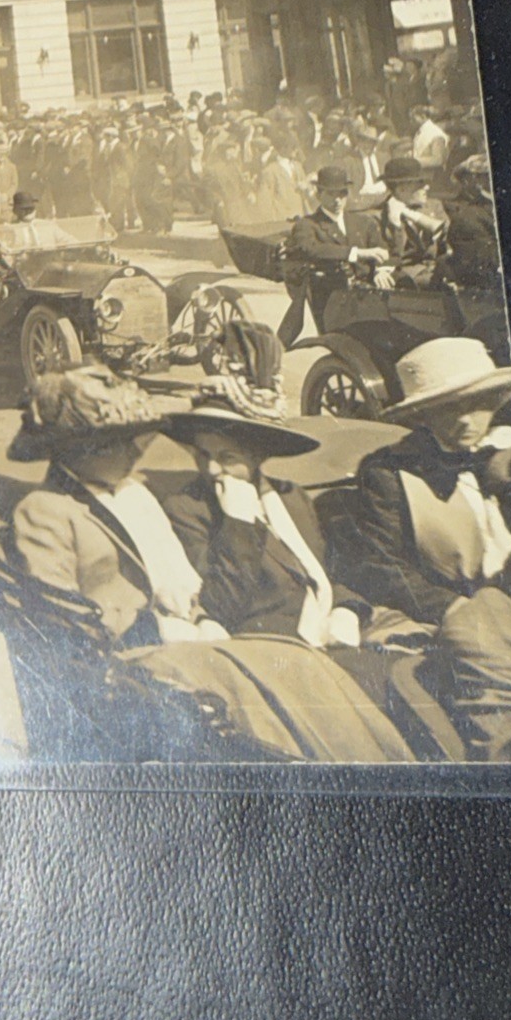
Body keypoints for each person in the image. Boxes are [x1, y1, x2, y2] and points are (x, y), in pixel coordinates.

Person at [341, 337, 511, 761]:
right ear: (420, 414)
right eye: (448, 408)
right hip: (445, 612)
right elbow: (378, 566)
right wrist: (449, 606)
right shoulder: (389, 473)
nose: (466, 420)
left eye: (479, 403)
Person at [160, 322, 367, 651]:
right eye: (202, 454)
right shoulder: (189, 509)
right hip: (269, 648)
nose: (212, 469)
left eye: (227, 457)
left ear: (257, 455)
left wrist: (347, 609)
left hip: (329, 631)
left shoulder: (289, 496)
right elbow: (219, 607)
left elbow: (328, 571)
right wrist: (238, 524)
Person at [9, 366, 227, 646]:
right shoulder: (43, 510)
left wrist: (201, 618)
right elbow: (58, 610)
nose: (134, 451)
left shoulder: (133, 493)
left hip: (181, 640)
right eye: (118, 443)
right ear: (80, 450)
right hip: (119, 655)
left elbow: (175, 577)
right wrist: (154, 629)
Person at [282, 165, 392, 340]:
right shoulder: (308, 225)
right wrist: (358, 253)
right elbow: (311, 249)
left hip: (369, 295)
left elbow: (383, 249)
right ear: (319, 195)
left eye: (342, 193)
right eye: (331, 194)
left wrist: (382, 270)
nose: (337, 200)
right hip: (333, 298)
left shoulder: (363, 222)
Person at [376, 155, 446, 283]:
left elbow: (448, 234)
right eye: (419, 184)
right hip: (408, 275)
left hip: (437, 269)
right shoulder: (381, 216)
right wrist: (395, 224)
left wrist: (410, 214)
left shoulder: (434, 205)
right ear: (401, 189)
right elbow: (394, 257)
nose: (427, 188)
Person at [439, 155, 501, 292]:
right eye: (479, 176)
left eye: (486, 175)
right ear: (466, 179)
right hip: (474, 270)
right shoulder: (453, 206)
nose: (485, 180)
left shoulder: (490, 203)